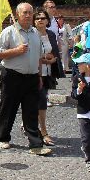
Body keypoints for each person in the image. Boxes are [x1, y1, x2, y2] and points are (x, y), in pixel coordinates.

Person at [0, 3, 52, 156]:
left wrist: (39, 75)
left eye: (30, 12)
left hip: (32, 77)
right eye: (24, 12)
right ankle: (3, 138)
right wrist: (16, 51)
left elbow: (39, 57)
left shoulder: (35, 33)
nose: (28, 15)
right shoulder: (9, 32)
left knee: (31, 111)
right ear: (17, 14)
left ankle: (35, 144)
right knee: (8, 108)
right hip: (12, 76)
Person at [33, 8, 64, 146]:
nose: (40, 20)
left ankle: (39, 128)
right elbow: (31, 54)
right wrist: (45, 59)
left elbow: (55, 51)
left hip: (47, 73)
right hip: (33, 73)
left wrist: (53, 59)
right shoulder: (31, 34)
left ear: (47, 21)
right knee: (36, 101)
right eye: (37, 18)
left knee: (42, 100)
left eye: (42, 18)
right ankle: (42, 131)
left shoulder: (51, 34)